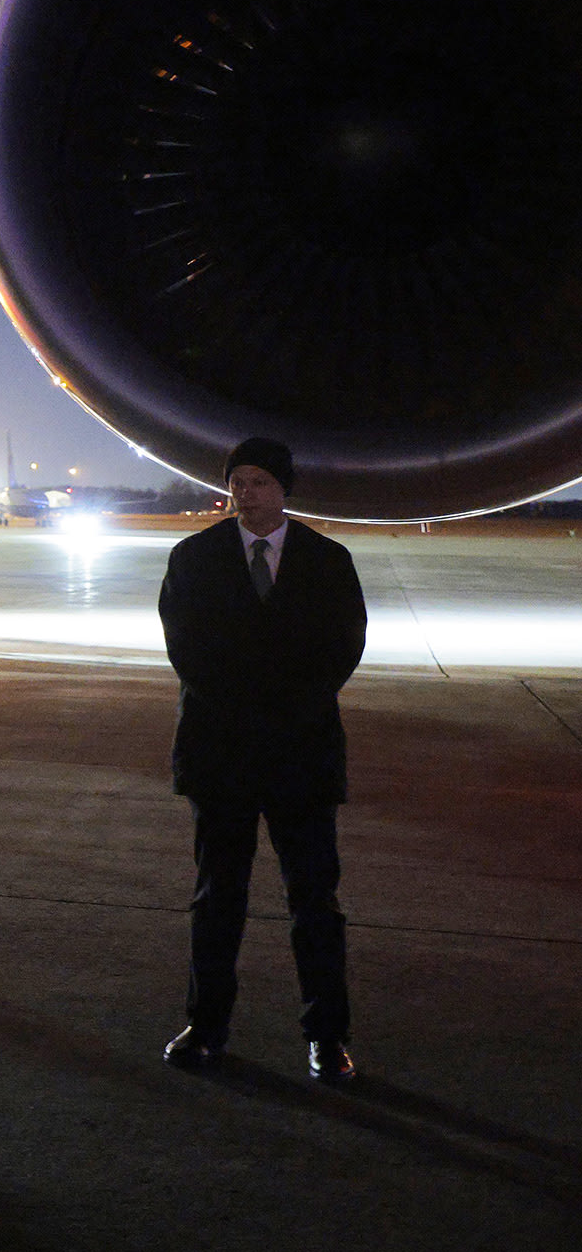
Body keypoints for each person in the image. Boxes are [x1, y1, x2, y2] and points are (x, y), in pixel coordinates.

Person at [158, 437, 367, 1084]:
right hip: (222, 757)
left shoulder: (328, 561)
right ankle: (207, 1026)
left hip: (301, 757)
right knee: (218, 898)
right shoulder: (194, 558)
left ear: (284, 489)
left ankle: (327, 1038)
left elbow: (344, 647)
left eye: (258, 482)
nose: (245, 493)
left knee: (314, 901)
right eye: (238, 482)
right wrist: (248, 707)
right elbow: (184, 647)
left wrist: (282, 708)